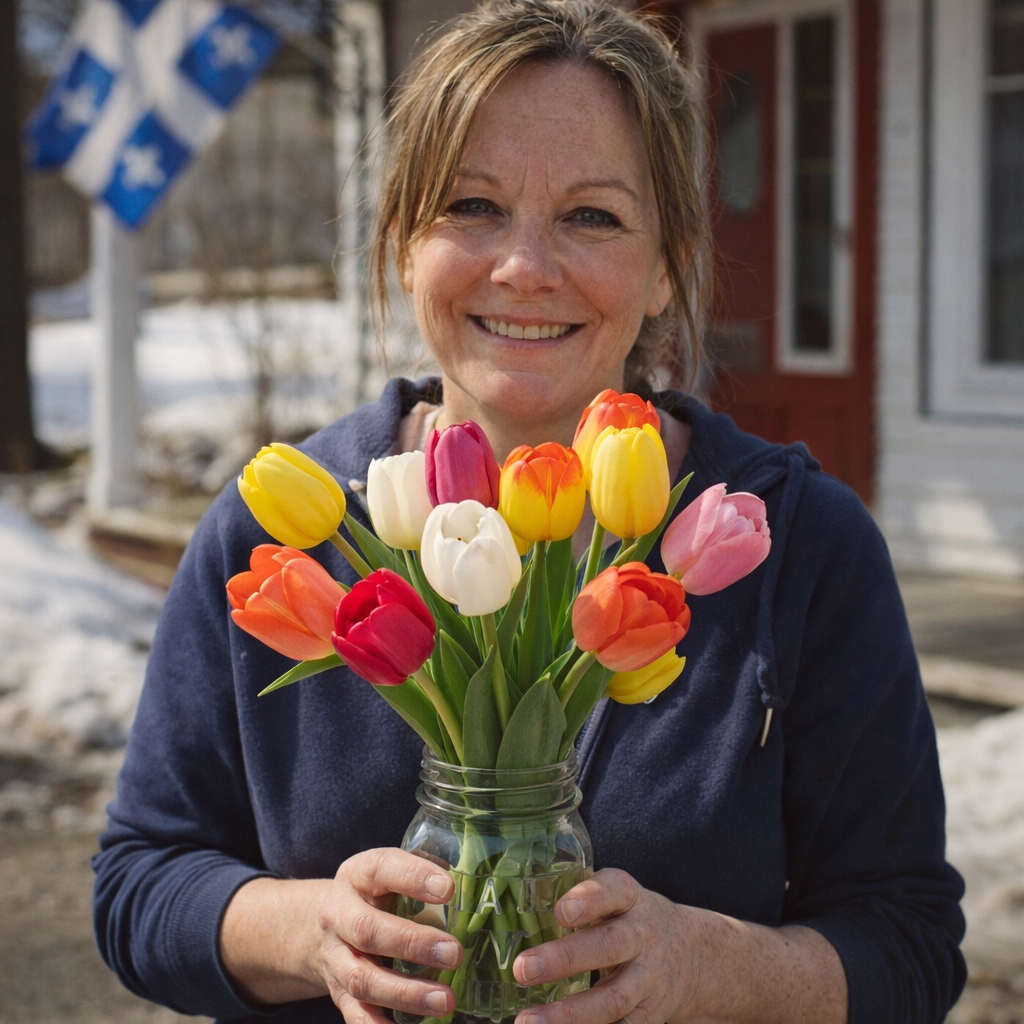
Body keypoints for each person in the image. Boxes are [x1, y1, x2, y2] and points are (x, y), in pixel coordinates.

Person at [92, 2, 966, 1023]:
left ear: (667, 266)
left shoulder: (794, 544)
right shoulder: (284, 528)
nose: (523, 267)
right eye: (470, 207)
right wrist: (308, 932)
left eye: (591, 216)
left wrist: (705, 967)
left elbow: (907, 944)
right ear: (401, 244)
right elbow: (139, 883)